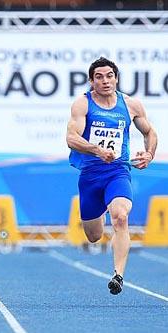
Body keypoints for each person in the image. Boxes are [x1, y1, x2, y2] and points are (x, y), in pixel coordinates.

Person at [66, 57, 157, 295]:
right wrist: (97, 150)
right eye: (99, 77)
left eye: (109, 76)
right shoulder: (82, 105)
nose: (105, 81)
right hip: (91, 175)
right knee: (94, 236)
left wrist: (149, 154)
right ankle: (102, 210)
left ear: (116, 78)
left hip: (118, 172)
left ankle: (118, 275)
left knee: (120, 217)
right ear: (91, 81)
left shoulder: (131, 105)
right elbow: (71, 138)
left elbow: (150, 132)